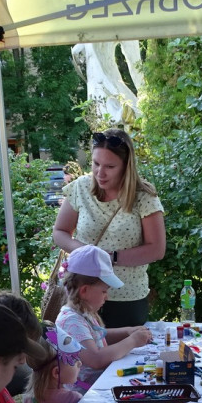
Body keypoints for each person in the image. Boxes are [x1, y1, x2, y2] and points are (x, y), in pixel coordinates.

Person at [51, 128, 165, 328]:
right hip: (82, 294)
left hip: (126, 298)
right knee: (82, 357)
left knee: (126, 356)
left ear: (126, 166)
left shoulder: (144, 196)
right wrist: (86, 253)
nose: (100, 173)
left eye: (110, 166)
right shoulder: (80, 187)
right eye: (96, 164)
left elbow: (156, 249)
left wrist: (109, 257)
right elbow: (60, 232)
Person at [55, 245, 152, 389]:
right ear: (84, 290)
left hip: (98, 386)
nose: (107, 297)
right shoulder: (71, 321)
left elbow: (98, 337)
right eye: (104, 291)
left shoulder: (83, 313)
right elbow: (96, 359)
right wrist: (132, 341)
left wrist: (127, 332)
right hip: (83, 395)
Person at [23, 325, 84, 403]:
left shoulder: (28, 399)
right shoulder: (72, 399)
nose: (80, 363)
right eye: (74, 360)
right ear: (56, 372)